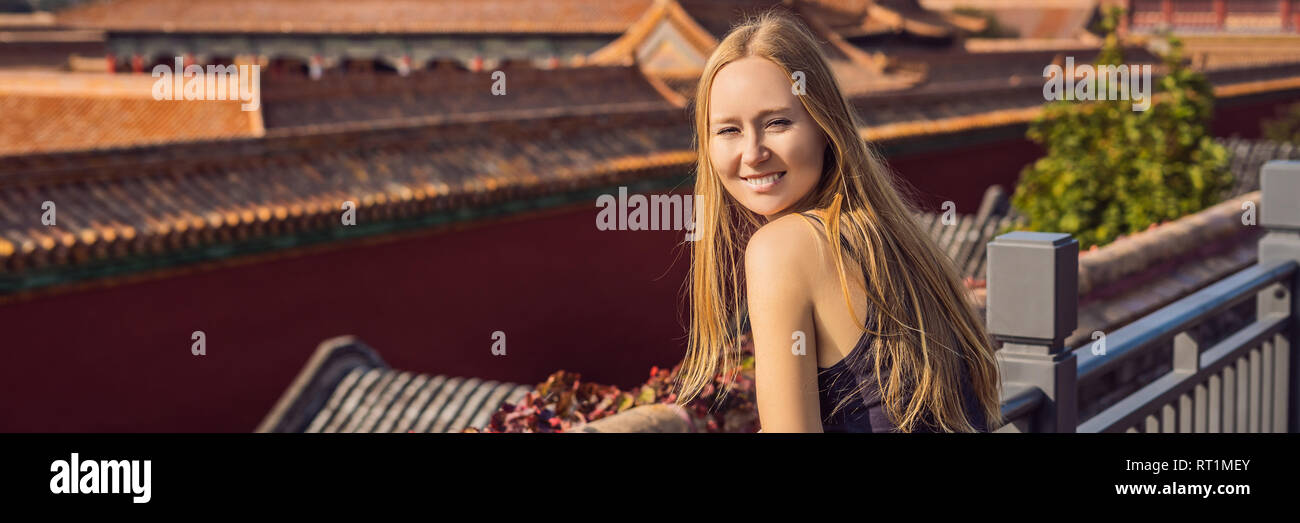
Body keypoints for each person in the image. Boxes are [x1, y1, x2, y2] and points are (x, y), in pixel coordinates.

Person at [671, 9, 1003, 433]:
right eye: (729, 130)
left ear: (824, 127)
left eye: (777, 122)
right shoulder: (892, 239)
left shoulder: (782, 248)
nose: (753, 153)